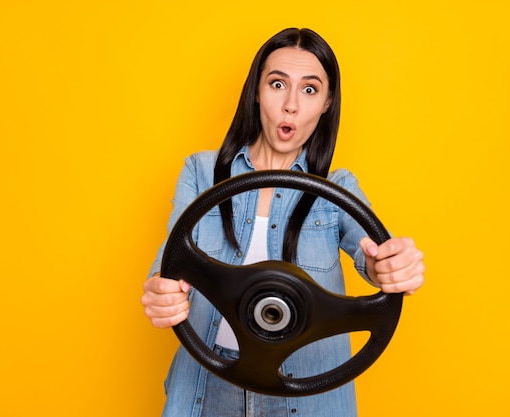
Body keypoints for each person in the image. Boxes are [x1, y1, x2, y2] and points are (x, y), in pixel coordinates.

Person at [141, 27, 425, 417]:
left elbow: (374, 255)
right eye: (278, 84)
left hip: (307, 395)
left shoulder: (337, 189)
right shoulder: (201, 171)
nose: (291, 105)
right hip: (206, 388)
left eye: (309, 90)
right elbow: (168, 268)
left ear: (326, 103)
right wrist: (162, 293)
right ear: (256, 91)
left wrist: (391, 266)